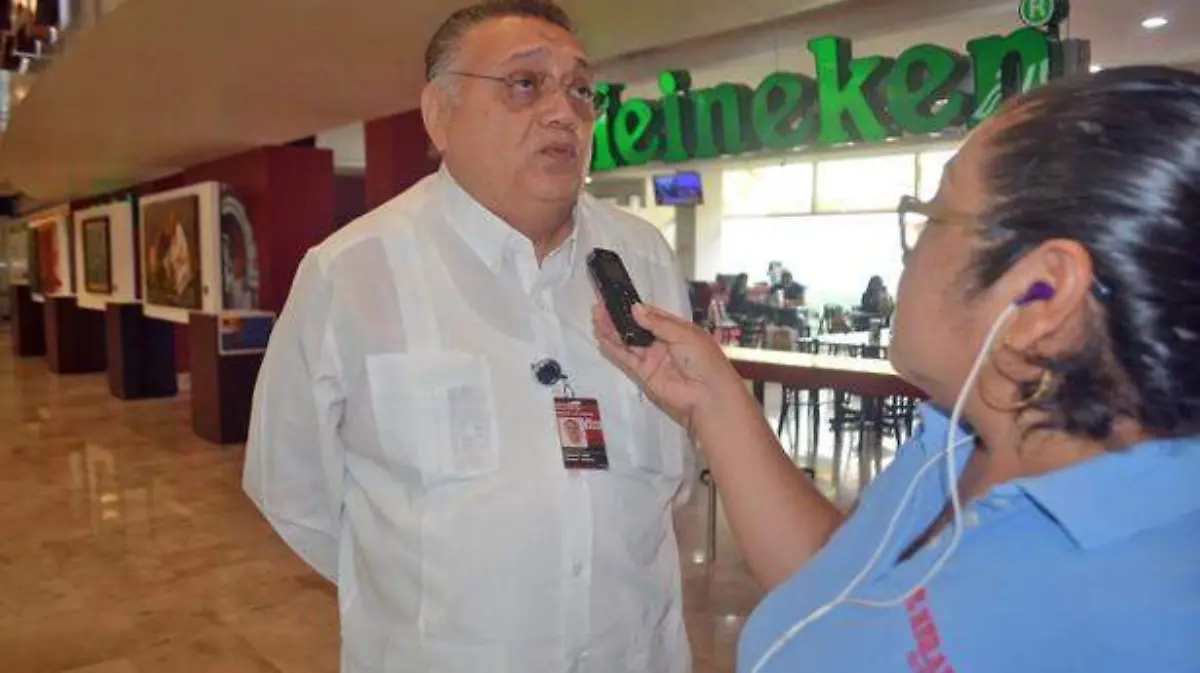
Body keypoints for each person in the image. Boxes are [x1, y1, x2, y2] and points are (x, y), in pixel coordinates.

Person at [594, 66, 1200, 673]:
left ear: (1040, 292)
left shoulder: (1151, 619)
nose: (906, 251)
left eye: (935, 214)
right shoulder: (957, 439)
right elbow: (835, 584)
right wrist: (714, 397)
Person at [242, 2, 694, 672]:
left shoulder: (643, 256)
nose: (563, 112)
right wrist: (428, 602)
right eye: (525, 84)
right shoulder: (352, 272)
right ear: (439, 114)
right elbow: (293, 490)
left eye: (580, 89)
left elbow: (676, 473)